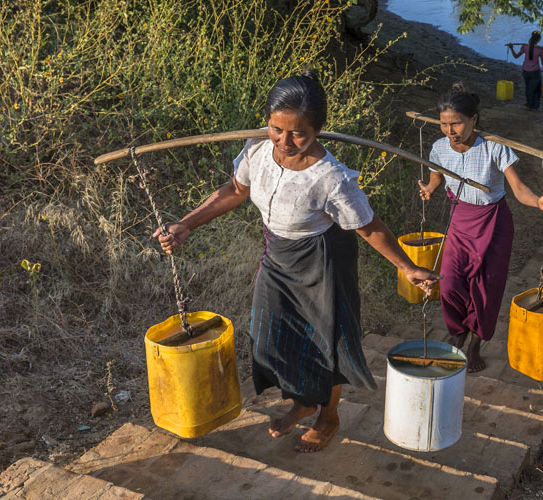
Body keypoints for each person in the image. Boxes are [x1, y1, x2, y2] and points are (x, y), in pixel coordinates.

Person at [154, 72, 439, 453]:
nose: (285, 142)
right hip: (279, 255)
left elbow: (368, 226)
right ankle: (303, 401)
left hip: (323, 260)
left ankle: (329, 415)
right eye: (276, 129)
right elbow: (237, 190)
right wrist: (186, 224)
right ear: (267, 120)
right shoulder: (257, 151)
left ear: (318, 130)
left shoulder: (332, 178)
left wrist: (407, 267)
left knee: (326, 341)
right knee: (271, 336)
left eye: (298, 134)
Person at [418, 83, 543, 373]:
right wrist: (430, 189)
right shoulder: (440, 148)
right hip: (460, 221)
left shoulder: (495, 148)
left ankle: (474, 344)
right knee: (452, 284)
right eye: (444, 124)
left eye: (456, 123)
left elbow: (518, 189)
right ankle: (457, 331)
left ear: (474, 120)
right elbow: (436, 177)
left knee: (485, 288)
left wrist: (538, 201)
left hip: (493, 223)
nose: (450, 130)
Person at [505, 31, 543, 110]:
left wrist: (512, 48)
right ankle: (534, 106)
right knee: (536, 89)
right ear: (539, 39)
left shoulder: (525, 47)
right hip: (535, 72)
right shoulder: (540, 49)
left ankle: (529, 103)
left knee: (528, 88)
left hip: (525, 71)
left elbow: (516, 56)